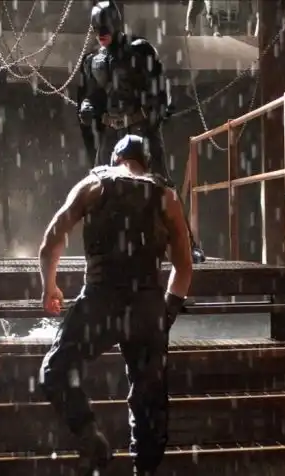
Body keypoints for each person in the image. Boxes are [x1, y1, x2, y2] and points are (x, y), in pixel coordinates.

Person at [37, 134, 194, 476]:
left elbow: (51, 240)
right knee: (150, 401)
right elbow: (184, 267)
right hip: (147, 306)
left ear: (115, 159)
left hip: (100, 302)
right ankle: (145, 469)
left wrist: (50, 286)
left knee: (56, 371)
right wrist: (166, 313)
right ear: (146, 164)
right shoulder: (166, 196)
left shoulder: (94, 185)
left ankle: (91, 436)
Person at [77, 0, 206, 263]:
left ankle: (187, 245)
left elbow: (160, 88)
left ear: (115, 24)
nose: (101, 34)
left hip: (141, 127)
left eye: (105, 28)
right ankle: (100, 249)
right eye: (97, 29)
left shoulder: (139, 50)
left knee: (162, 184)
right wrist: (88, 107)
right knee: (98, 184)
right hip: (111, 130)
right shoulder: (94, 61)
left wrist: (156, 115)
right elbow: (94, 95)